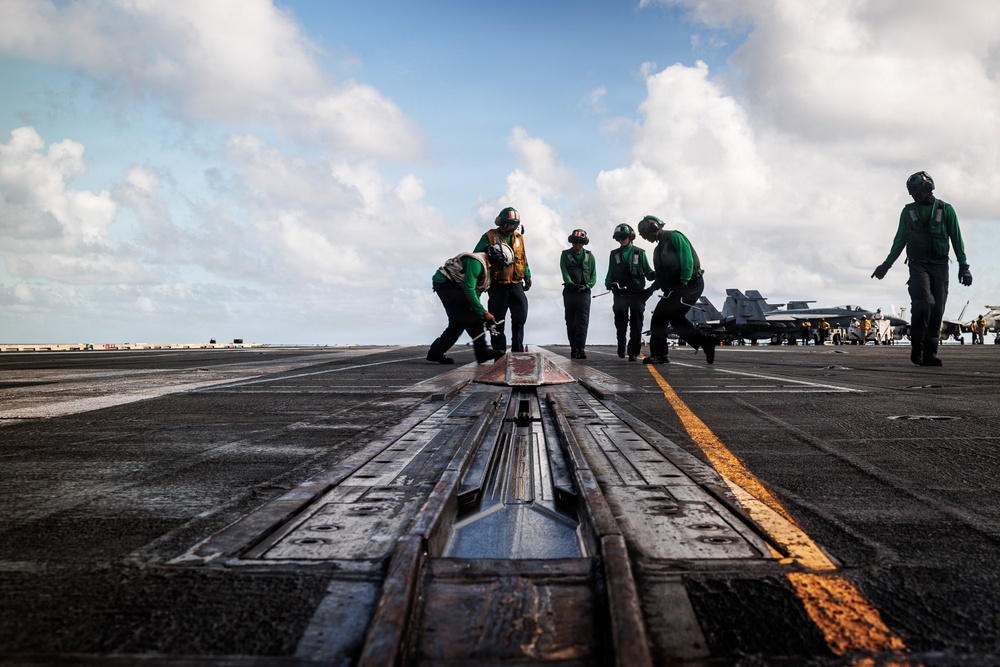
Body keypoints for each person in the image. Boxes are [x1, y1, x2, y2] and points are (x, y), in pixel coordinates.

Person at [872, 171, 972, 366]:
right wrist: (886, 265)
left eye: (918, 191)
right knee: (924, 302)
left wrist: (964, 266)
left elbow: (957, 239)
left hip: (941, 266)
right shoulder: (908, 212)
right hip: (918, 265)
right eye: (913, 192)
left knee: (938, 309)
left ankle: (930, 354)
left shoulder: (946, 210)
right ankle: (917, 347)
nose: (915, 196)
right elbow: (899, 240)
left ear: (928, 188)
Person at [636, 215, 716, 365]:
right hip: (676, 288)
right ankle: (705, 342)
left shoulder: (675, 237)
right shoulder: (657, 251)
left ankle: (661, 355)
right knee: (673, 319)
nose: (646, 238)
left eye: (646, 234)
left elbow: (687, 261)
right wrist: (650, 290)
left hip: (690, 284)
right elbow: (661, 276)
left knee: (661, 318)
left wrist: (683, 282)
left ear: (654, 227)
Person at [427, 242, 513, 364]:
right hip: (445, 283)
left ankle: (435, 352)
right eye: (502, 265)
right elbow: (469, 290)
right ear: (496, 259)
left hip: (456, 286)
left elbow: (475, 294)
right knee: (470, 318)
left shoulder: (487, 269)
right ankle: (481, 351)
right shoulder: (477, 264)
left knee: (457, 324)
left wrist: (481, 313)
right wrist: (483, 313)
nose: (502, 268)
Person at [475, 207, 531, 359]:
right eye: (508, 225)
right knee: (497, 322)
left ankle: (517, 351)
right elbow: (476, 258)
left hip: (517, 284)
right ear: (501, 223)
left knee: (520, 317)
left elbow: (523, 258)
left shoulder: (519, 238)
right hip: (498, 286)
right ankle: (499, 354)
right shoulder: (489, 236)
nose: (511, 229)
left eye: (514, 226)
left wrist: (527, 275)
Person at [605, 223, 656, 361]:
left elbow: (648, 272)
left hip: (637, 293)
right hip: (620, 293)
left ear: (630, 237)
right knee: (620, 322)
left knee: (637, 323)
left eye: (623, 237)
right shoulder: (614, 254)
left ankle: (633, 352)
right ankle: (621, 344)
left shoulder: (640, 253)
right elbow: (610, 272)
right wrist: (608, 283)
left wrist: (659, 274)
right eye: (618, 238)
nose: (621, 240)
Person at [559, 229, 597, 359]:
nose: (577, 245)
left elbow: (594, 276)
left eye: (580, 243)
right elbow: (564, 271)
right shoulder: (565, 255)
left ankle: (581, 348)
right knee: (570, 321)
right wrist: (570, 283)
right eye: (575, 242)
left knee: (583, 321)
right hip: (570, 292)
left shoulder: (590, 256)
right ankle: (573, 348)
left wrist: (587, 286)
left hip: (584, 293)